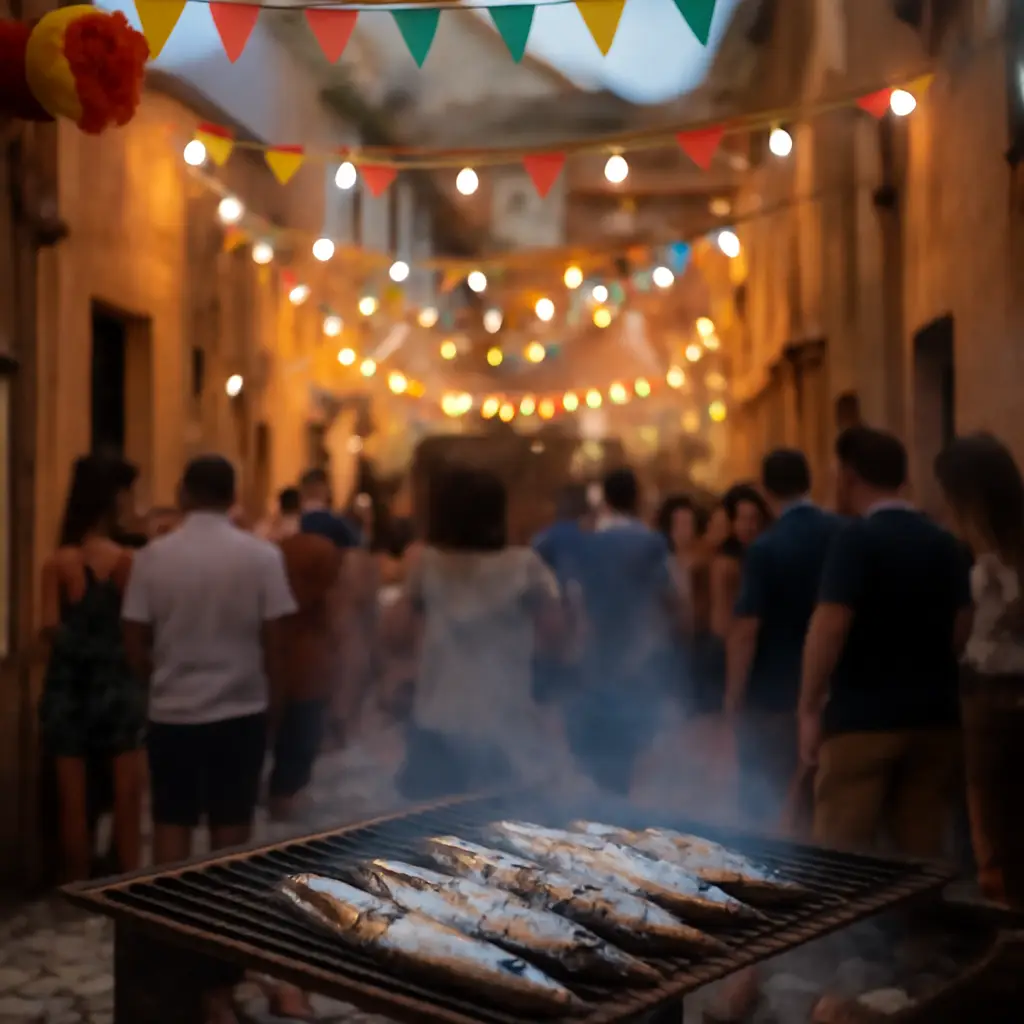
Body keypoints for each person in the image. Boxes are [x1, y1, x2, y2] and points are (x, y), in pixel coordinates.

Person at [122, 455, 302, 1024]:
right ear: (233, 494)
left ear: (182, 491)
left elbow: (133, 641)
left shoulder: (153, 557)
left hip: (173, 715)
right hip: (239, 713)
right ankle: (222, 971)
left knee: (170, 846)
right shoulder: (262, 556)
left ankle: (175, 968)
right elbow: (276, 642)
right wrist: (273, 711)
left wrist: (162, 678)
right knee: (231, 851)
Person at [799, 427, 970, 857]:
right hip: (935, 720)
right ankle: (921, 926)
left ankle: (852, 928)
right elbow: (962, 625)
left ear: (848, 476)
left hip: (862, 721)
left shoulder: (855, 540)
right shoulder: (944, 542)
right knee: (923, 853)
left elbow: (830, 626)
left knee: (843, 855)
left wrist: (809, 705)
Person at [383, 465, 566, 799]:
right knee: (499, 823)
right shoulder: (525, 565)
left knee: (430, 824)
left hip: (438, 716)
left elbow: (394, 634)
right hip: (504, 721)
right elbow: (555, 638)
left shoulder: (428, 563)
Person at [39, 455, 146, 881]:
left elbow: (48, 627)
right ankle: (126, 879)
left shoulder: (58, 562)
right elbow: (137, 627)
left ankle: (76, 880)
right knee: (127, 795)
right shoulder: (127, 562)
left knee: (72, 797)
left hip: (67, 686)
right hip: (116, 683)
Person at [726, 450, 840, 828]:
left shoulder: (765, 548)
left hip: (773, 695)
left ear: (766, 489)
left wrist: (734, 696)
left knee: (767, 797)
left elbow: (745, 630)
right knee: (822, 799)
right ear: (809, 482)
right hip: (836, 690)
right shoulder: (843, 533)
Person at [934, 433, 1024, 907]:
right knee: (995, 829)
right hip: (987, 699)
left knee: (1003, 826)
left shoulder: (998, 562)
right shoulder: (982, 557)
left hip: (1001, 705)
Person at [571, 468, 689, 794]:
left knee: (601, 750)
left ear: (605, 500)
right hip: (640, 658)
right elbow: (673, 598)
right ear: (636, 499)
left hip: (597, 659)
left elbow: (575, 601)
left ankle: (604, 805)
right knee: (631, 745)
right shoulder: (651, 543)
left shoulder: (588, 544)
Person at [270, 517, 346, 821]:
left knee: (287, 737)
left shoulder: (280, 551)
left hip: (280, 660)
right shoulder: (322, 553)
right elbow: (324, 610)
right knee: (301, 735)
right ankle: (285, 799)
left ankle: (280, 796)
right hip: (309, 665)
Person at [657, 494, 713, 711]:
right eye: (678, 524)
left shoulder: (705, 561)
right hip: (672, 642)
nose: (684, 530)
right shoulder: (663, 564)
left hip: (701, 640)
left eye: (688, 524)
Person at [709, 483, 770, 642]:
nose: (749, 527)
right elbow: (721, 622)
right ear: (732, 523)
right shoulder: (726, 565)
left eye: (754, 519)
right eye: (743, 519)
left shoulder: (760, 556)